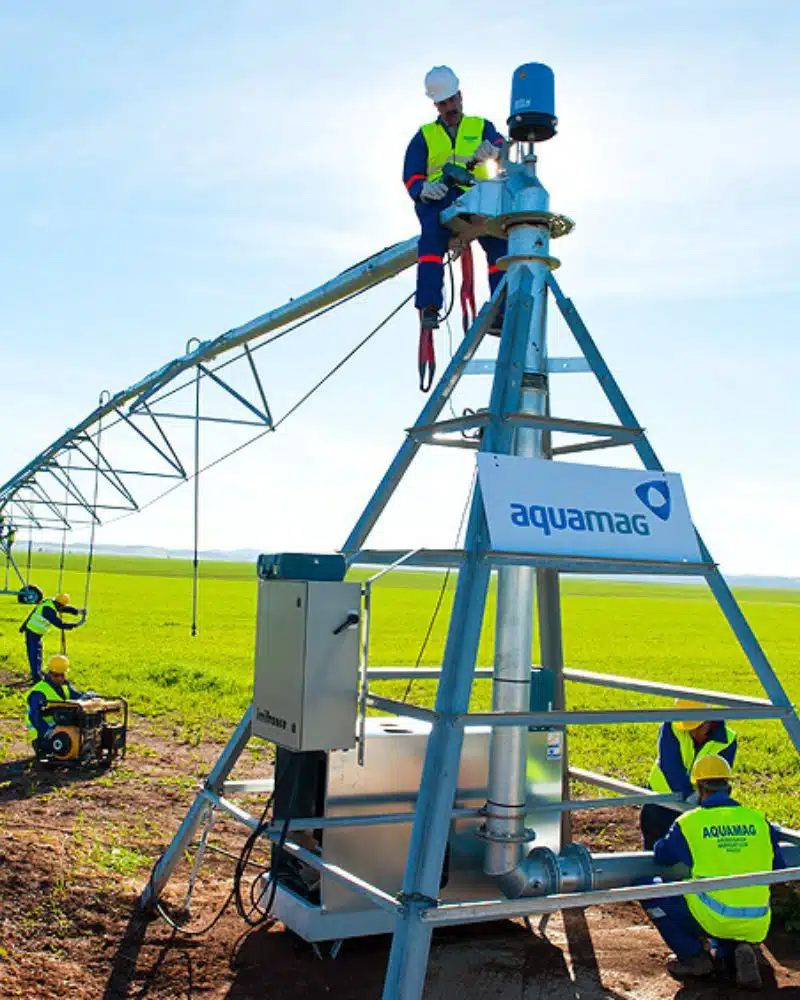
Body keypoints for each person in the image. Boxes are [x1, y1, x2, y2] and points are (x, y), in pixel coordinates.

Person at [643, 755, 785, 989]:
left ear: (699, 788)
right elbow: (778, 869)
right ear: (729, 786)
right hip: (758, 922)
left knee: (648, 888)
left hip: (713, 917)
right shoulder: (758, 820)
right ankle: (736, 949)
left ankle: (694, 958)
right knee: (725, 904)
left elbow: (662, 856)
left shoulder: (690, 822)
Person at [403, 65, 507, 333]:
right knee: (431, 237)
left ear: (460, 96)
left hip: (476, 194)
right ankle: (429, 306)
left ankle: (501, 311)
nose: (450, 107)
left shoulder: (480, 126)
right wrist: (423, 189)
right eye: (443, 103)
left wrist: (494, 149)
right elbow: (410, 174)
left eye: (452, 100)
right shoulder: (425, 135)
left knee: (498, 242)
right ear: (435, 104)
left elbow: (500, 144)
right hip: (439, 198)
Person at [641, 698, 737, 849]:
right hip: (661, 800)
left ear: (707, 721)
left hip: (699, 806)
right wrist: (688, 796)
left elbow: (718, 777)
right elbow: (670, 765)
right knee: (653, 850)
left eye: (696, 728)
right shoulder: (671, 726)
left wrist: (701, 803)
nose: (691, 732)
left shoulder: (727, 740)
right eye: (687, 728)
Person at [19, 588, 86, 684]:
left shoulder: (50, 602)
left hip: (33, 632)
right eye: (62, 606)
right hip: (33, 633)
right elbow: (60, 624)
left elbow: (64, 609)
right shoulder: (48, 610)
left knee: (35, 653)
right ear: (59, 604)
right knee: (35, 654)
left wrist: (78, 611)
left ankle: (36, 673)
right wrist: (76, 624)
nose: (62, 608)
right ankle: (36, 677)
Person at [26, 654, 86, 756]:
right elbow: (34, 717)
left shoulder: (64, 686)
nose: (60, 678)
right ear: (49, 674)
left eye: (62, 675)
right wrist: (48, 733)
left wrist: (90, 696)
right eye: (56, 675)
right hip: (42, 732)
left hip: (60, 725)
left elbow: (78, 696)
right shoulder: (38, 692)